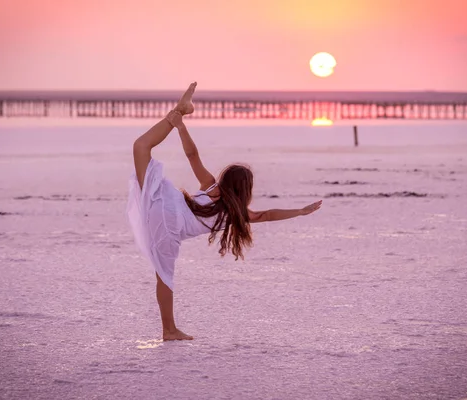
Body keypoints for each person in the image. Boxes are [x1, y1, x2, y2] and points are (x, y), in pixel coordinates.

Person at [127, 82, 322, 341]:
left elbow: (192, 156)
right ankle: (169, 330)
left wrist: (181, 126)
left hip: (166, 200)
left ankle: (177, 113)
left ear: (225, 180)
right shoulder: (235, 213)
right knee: (164, 276)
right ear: (245, 190)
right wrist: (298, 211)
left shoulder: (212, 188)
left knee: (141, 147)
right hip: (168, 222)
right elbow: (267, 215)